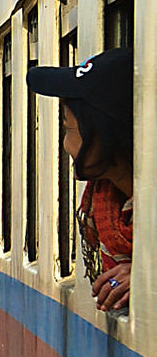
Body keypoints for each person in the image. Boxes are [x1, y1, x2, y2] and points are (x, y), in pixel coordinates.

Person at [28, 48, 135, 312]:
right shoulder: (105, 203)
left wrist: (148, 280)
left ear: (101, 133)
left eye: (68, 129)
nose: (65, 146)